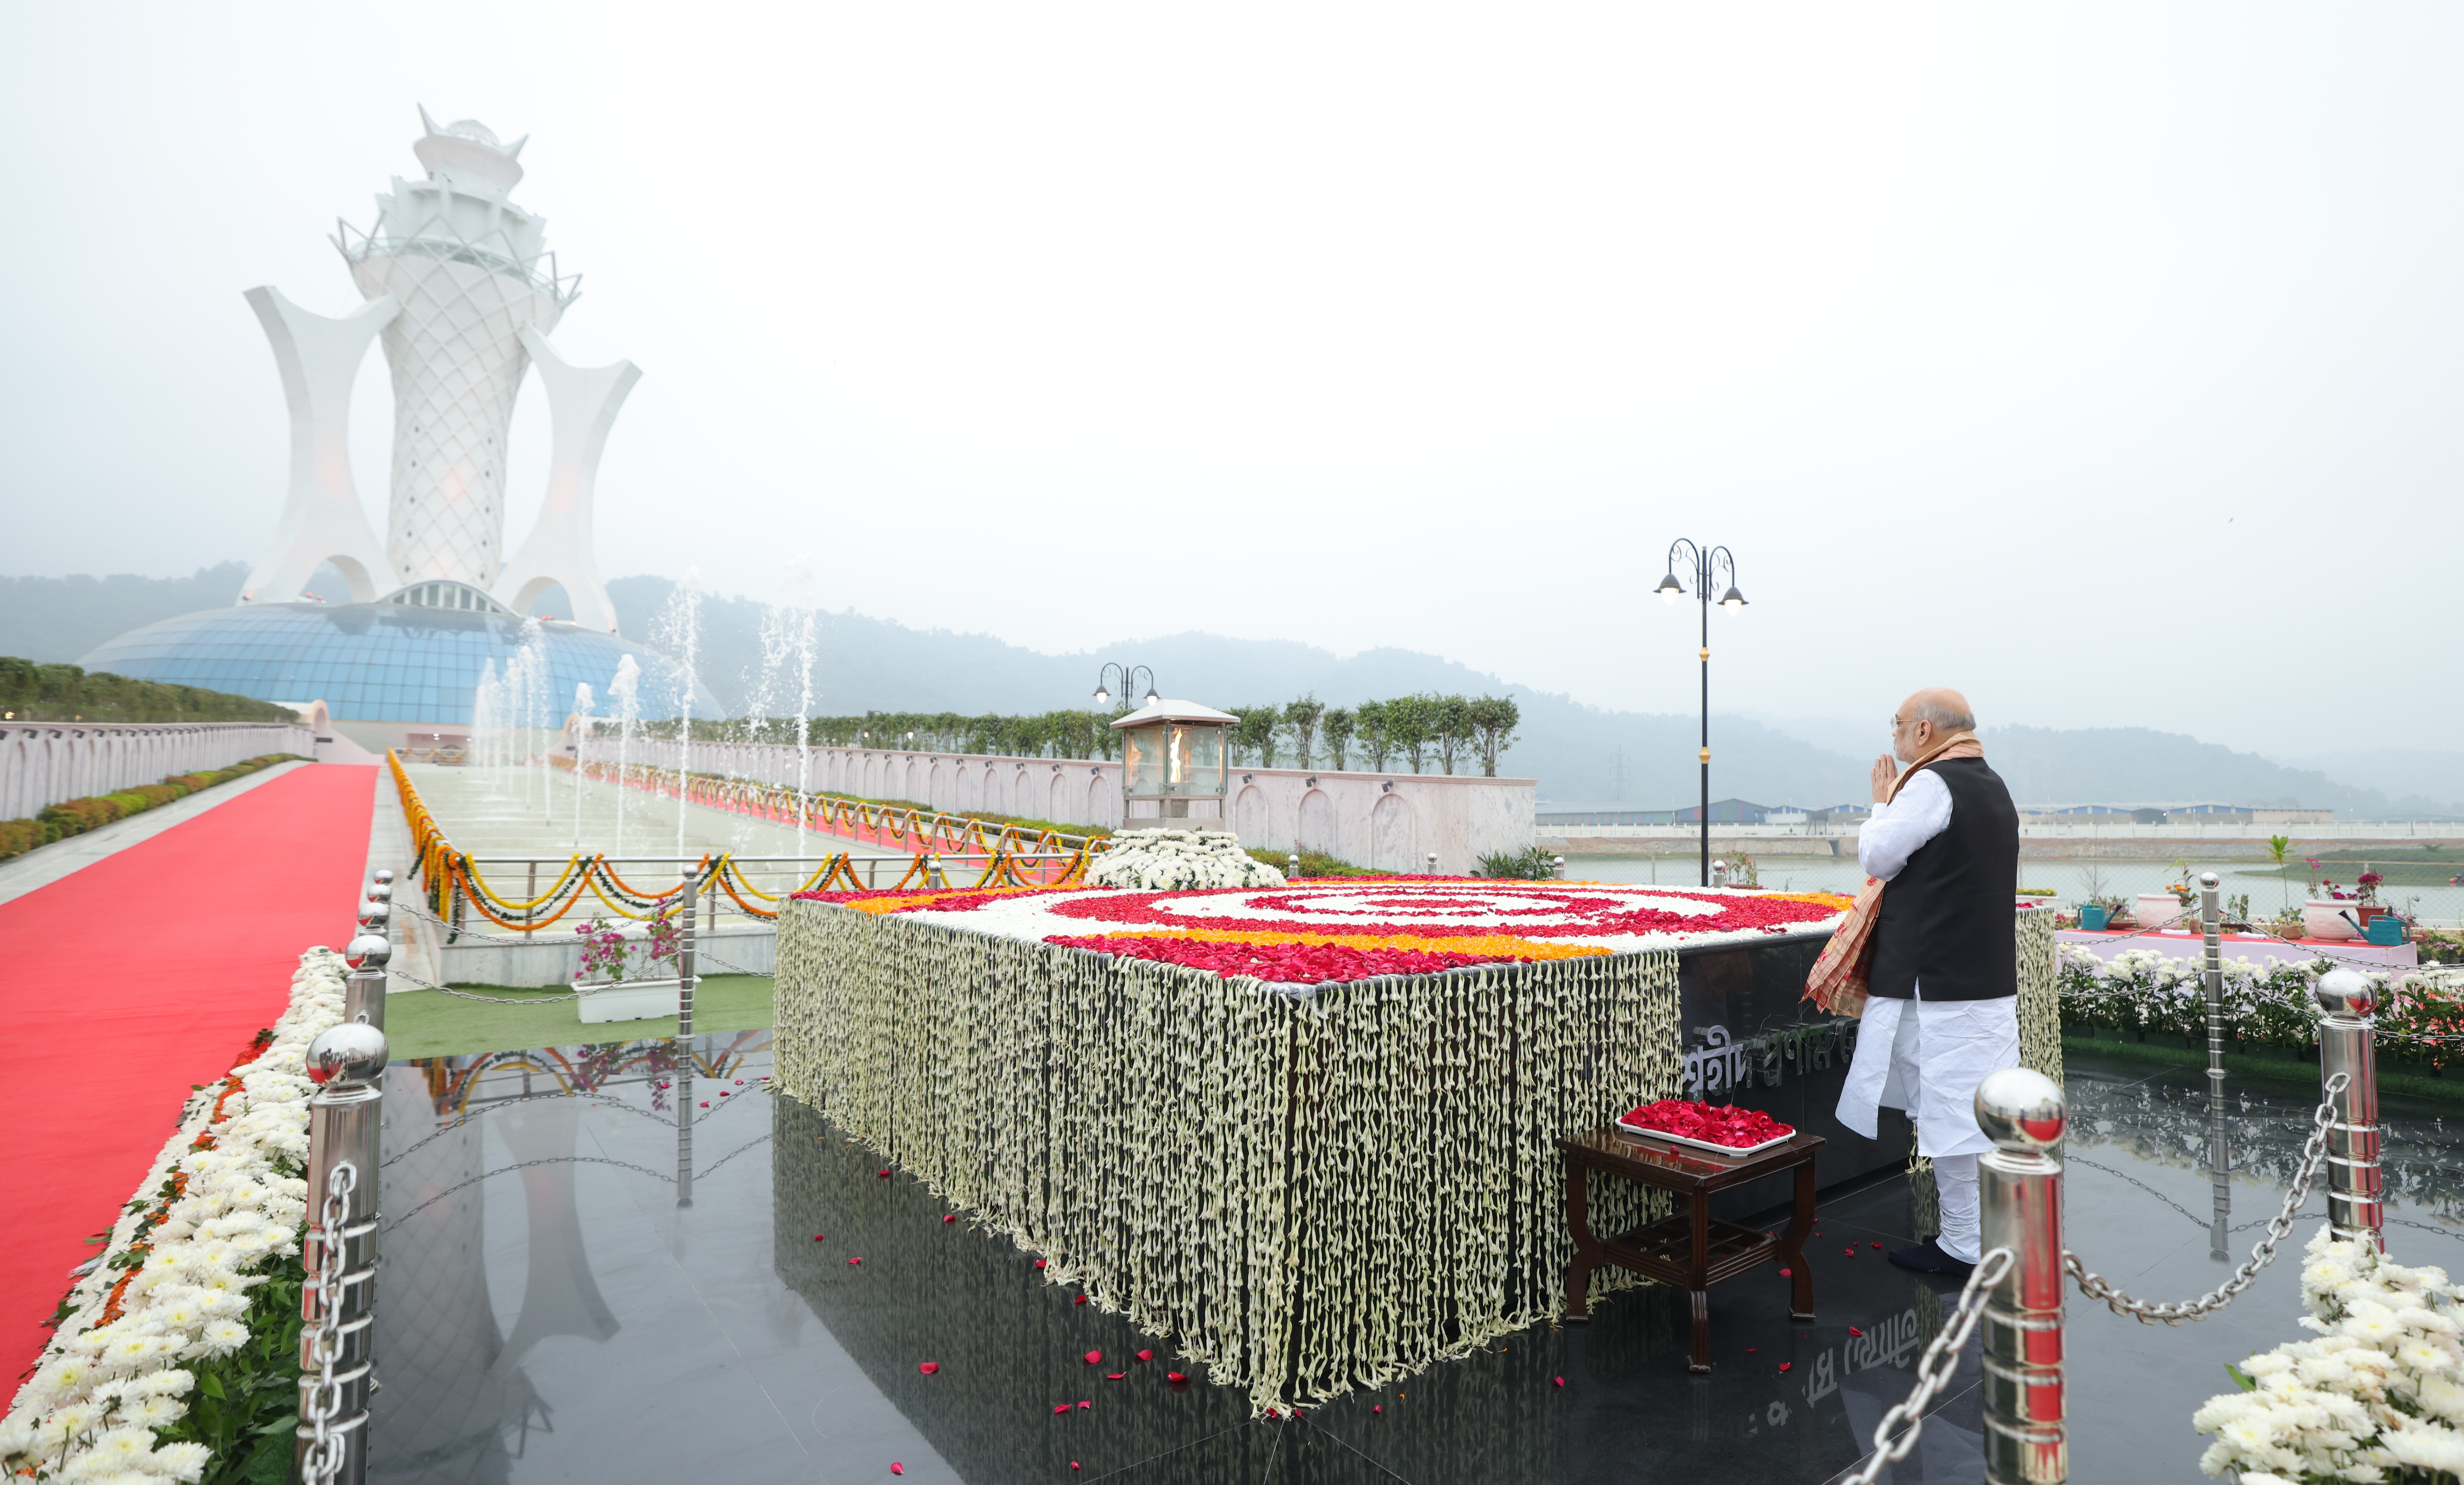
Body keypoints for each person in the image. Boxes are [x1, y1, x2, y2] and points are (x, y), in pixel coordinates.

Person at [1832, 687, 2021, 1277]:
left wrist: (1883, 803)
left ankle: (1965, 1243)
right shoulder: (1993, 785)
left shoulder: (1932, 783)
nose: (1892, 735)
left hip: (1939, 987)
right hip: (1982, 983)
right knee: (1978, 1115)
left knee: (1949, 1117)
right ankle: (1987, 1233)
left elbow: (1879, 855)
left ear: (1924, 733)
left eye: (1898, 725)